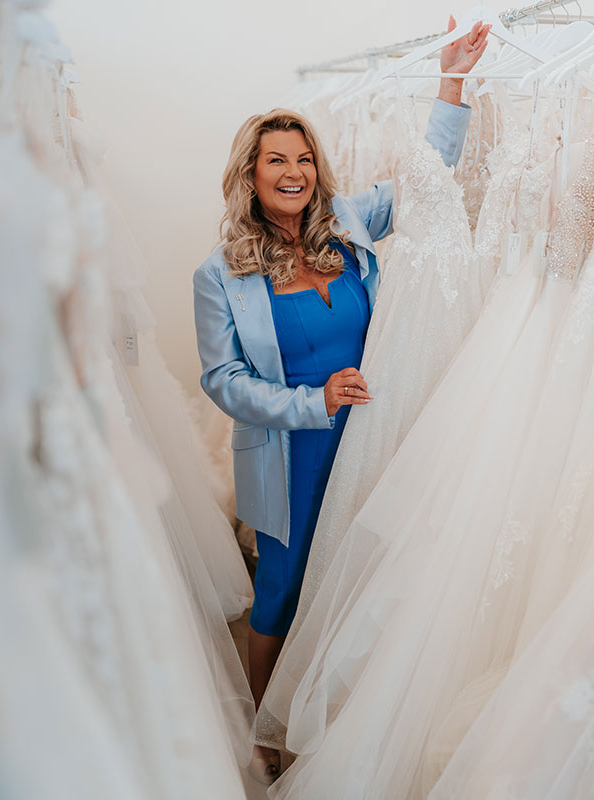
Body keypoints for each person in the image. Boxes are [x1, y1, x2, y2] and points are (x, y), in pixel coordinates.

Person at [193, 16, 489, 784]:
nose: (292, 172)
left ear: (318, 169)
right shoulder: (220, 273)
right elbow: (224, 382)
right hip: (293, 449)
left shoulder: (349, 223)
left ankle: (334, 708)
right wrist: (310, 400)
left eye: (303, 159)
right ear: (249, 175)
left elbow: (434, 168)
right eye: (274, 161)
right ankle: (263, 724)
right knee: (283, 589)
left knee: (362, 572)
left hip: (375, 435)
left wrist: (451, 78)